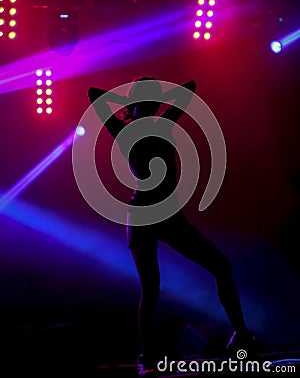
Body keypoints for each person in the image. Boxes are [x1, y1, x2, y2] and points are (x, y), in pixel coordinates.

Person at [88, 77, 254, 377]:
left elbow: (190, 89)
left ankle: (240, 333)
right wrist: (135, 101)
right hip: (142, 217)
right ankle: (148, 359)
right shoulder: (126, 130)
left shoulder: (159, 122)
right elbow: (94, 94)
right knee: (151, 289)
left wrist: (141, 100)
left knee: (220, 265)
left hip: (169, 216)